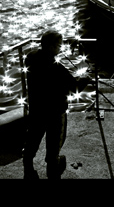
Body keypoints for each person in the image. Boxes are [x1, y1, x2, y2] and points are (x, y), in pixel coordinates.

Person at [23, 29, 78, 180]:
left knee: (33, 136)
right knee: (55, 140)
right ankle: (53, 167)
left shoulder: (30, 57)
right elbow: (74, 86)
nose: (60, 48)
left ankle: (27, 164)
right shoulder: (57, 68)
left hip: (36, 108)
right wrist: (85, 75)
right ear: (52, 47)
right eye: (59, 45)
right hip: (55, 111)